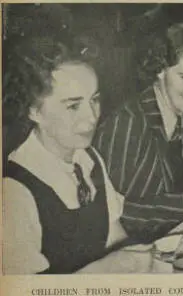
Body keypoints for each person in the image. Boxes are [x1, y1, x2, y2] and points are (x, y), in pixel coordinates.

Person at [2, 36, 153, 274]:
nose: (92, 117)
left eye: (94, 100)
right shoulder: (13, 192)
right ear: (34, 110)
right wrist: (107, 269)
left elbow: (114, 238)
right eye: (73, 106)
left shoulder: (88, 158)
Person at [92, 23, 183, 243]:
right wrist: (182, 205)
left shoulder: (182, 118)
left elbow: (170, 182)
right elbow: (104, 213)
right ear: (160, 69)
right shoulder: (128, 123)